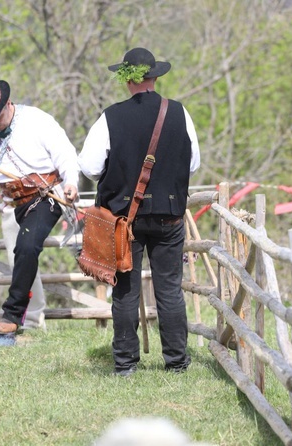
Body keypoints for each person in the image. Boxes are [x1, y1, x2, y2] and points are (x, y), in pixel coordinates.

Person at [79, 48, 200, 376]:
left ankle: (125, 366)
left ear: (125, 79)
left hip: (123, 220)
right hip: (169, 215)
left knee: (125, 291)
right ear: (155, 77)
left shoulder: (110, 117)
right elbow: (193, 163)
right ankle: (177, 363)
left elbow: (89, 166)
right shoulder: (179, 113)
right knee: (170, 289)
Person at [0, 80, 79, 343]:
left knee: (27, 246)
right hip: (12, 203)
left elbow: (65, 153)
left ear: (8, 104)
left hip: (46, 195)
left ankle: (12, 315)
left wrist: (71, 181)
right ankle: (32, 318)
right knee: (20, 258)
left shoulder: (38, 120)